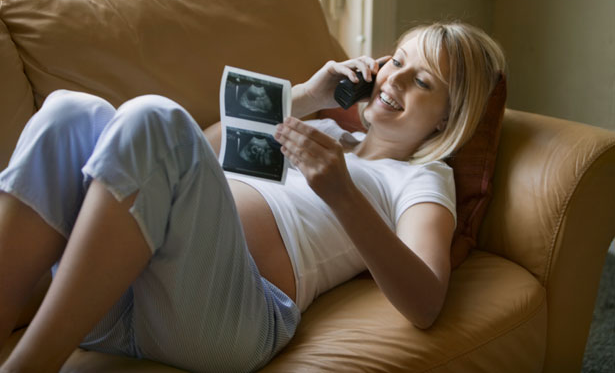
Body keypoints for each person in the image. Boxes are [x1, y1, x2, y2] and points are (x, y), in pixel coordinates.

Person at [0, 22, 506, 372]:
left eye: (420, 81)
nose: (392, 78)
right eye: (396, 59)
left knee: (154, 116)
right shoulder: (324, 131)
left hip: (228, 320)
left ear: (446, 118)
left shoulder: (420, 178)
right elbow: (197, 148)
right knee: (70, 112)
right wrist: (308, 96)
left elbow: (425, 302)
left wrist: (342, 194)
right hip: (126, 289)